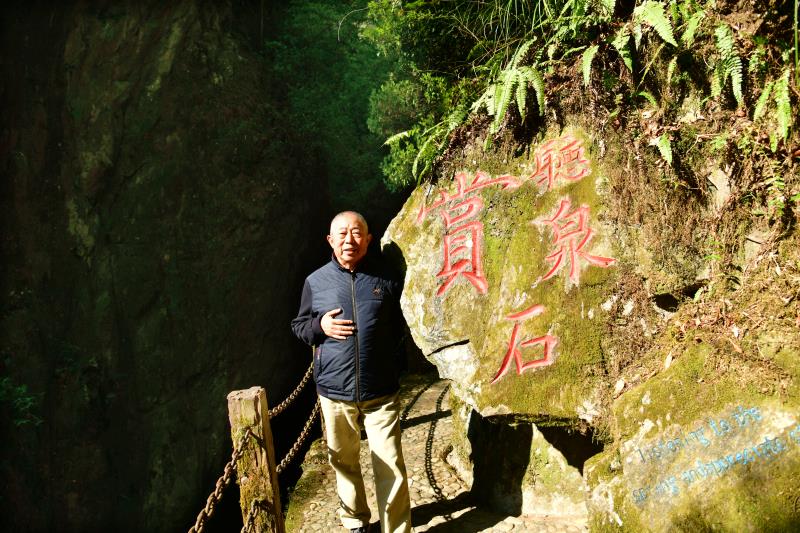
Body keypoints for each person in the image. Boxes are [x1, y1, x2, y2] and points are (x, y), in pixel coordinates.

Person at [291, 211, 411, 533]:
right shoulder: (315, 281)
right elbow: (299, 326)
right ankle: (356, 521)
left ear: (368, 239)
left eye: (357, 233)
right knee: (343, 461)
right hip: (335, 391)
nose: (349, 240)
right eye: (342, 234)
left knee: (391, 464)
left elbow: (402, 325)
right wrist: (321, 326)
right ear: (330, 240)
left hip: (380, 390)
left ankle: (396, 529)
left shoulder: (387, 278)